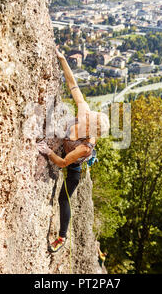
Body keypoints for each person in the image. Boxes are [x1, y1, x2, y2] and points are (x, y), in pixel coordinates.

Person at [37, 47, 110, 253]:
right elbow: (72, 84)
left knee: (63, 198)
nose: (86, 112)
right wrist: (62, 60)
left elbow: (62, 163)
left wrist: (47, 151)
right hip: (67, 148)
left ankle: (62, 237)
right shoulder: (84, 112)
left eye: (89, 117)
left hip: (74, 166)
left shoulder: (84, 148)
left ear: (90, 128)